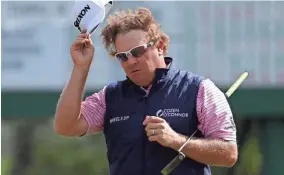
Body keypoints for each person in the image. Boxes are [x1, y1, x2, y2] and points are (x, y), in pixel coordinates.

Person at [54, 7, 238, 175]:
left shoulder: (200, 89)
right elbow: (65, 126)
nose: (131, 61)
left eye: (137, 52)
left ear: (160, 47)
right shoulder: (110, 96)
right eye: (123, 57)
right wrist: (81, 67)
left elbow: (229, 154)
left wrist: (176, 140)